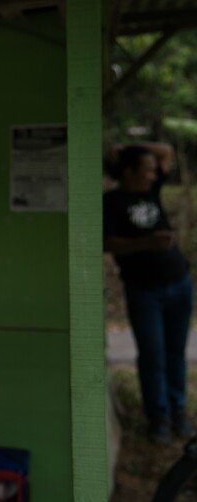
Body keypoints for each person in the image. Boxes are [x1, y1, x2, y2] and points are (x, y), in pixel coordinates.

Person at [104, 142, 194, 444]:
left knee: (175, 353)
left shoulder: (151, 191)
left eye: (155, 170)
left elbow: (166, 150)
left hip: (179, 283)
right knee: (153, 355)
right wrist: (147, 244)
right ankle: (159, 417)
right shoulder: (112, 202)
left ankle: (178, 411)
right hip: (144, 291)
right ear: (129, 173)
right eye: (147, 169)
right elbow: (108, 243)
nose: (154, 174)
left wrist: (130, 146)